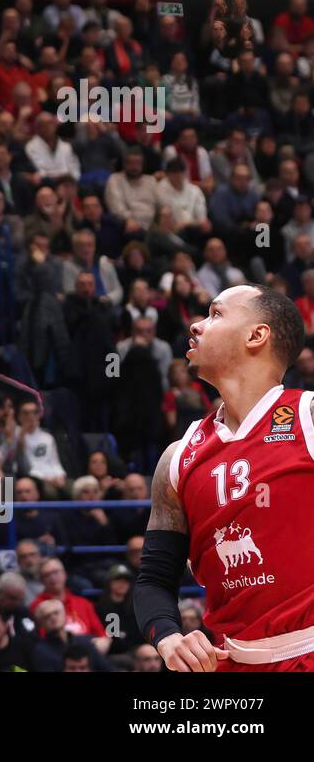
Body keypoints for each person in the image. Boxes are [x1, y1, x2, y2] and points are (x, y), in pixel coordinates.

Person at [136, 284, 314, 671]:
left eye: (215, 314)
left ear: (256, 335)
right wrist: (168, 638)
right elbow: (153, 578)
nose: (196, 326)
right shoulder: (177, 458)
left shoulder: (308, 417)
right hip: (228, 660)